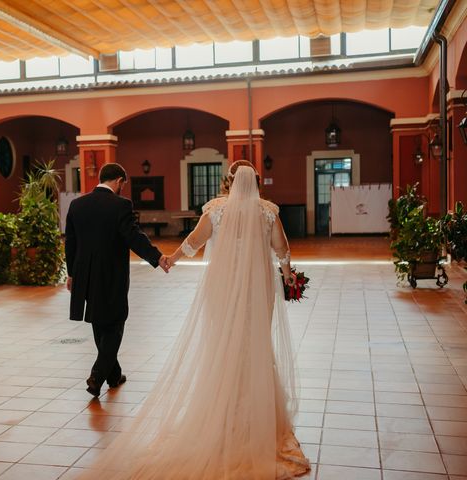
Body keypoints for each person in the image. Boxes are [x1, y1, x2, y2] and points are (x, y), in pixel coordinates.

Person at [77, 161, 310, 479]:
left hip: (223, 288)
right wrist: (289, 278)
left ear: (228, 181)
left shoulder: (216, 210)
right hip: (259, 290)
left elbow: (194, 242)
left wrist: (169, 259)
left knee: (223, 342)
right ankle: (258, 419)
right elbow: (282, 249)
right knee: (255, 343)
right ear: (254, 181)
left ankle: (222, 412)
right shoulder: (267, 211)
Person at [65, 163, 170, 398]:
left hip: (85, 275)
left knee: (98, 320)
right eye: (123, 183)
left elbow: (70, 243)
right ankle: (97, 375)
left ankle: (114, 375)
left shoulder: (77, 205)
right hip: (111, 274)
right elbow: (133, 237)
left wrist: (71, 273)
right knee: (115, 322)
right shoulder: (121, 205)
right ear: (119, 180)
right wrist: (157, 257)